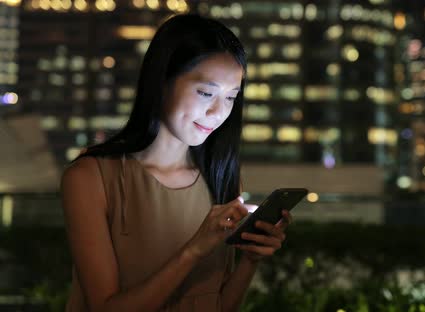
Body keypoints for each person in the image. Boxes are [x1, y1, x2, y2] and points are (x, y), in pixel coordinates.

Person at [61, 14, 292, 311]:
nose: (217, 112)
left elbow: (218, 305)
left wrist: (251, 258)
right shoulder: (91, 177)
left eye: (231, 97)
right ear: (162, 81)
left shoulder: (219, 178)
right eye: (206, 92)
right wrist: (194, 250)